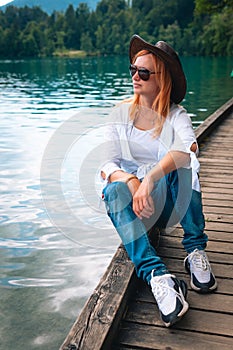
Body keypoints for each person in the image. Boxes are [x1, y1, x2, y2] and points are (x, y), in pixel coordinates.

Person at [100, 34, 217, 327]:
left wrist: (150, 177)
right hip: (139, 208)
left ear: (161, 79)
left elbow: (186, 151)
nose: (135, 77)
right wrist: (130, 180)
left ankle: (194, 249)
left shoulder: (177, 116)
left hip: (171, 206)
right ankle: (159, 277)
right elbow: (105, 164)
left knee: (183, 165)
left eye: (143, 72)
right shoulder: (120, 114)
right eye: (133, 70)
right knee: (112, 189)